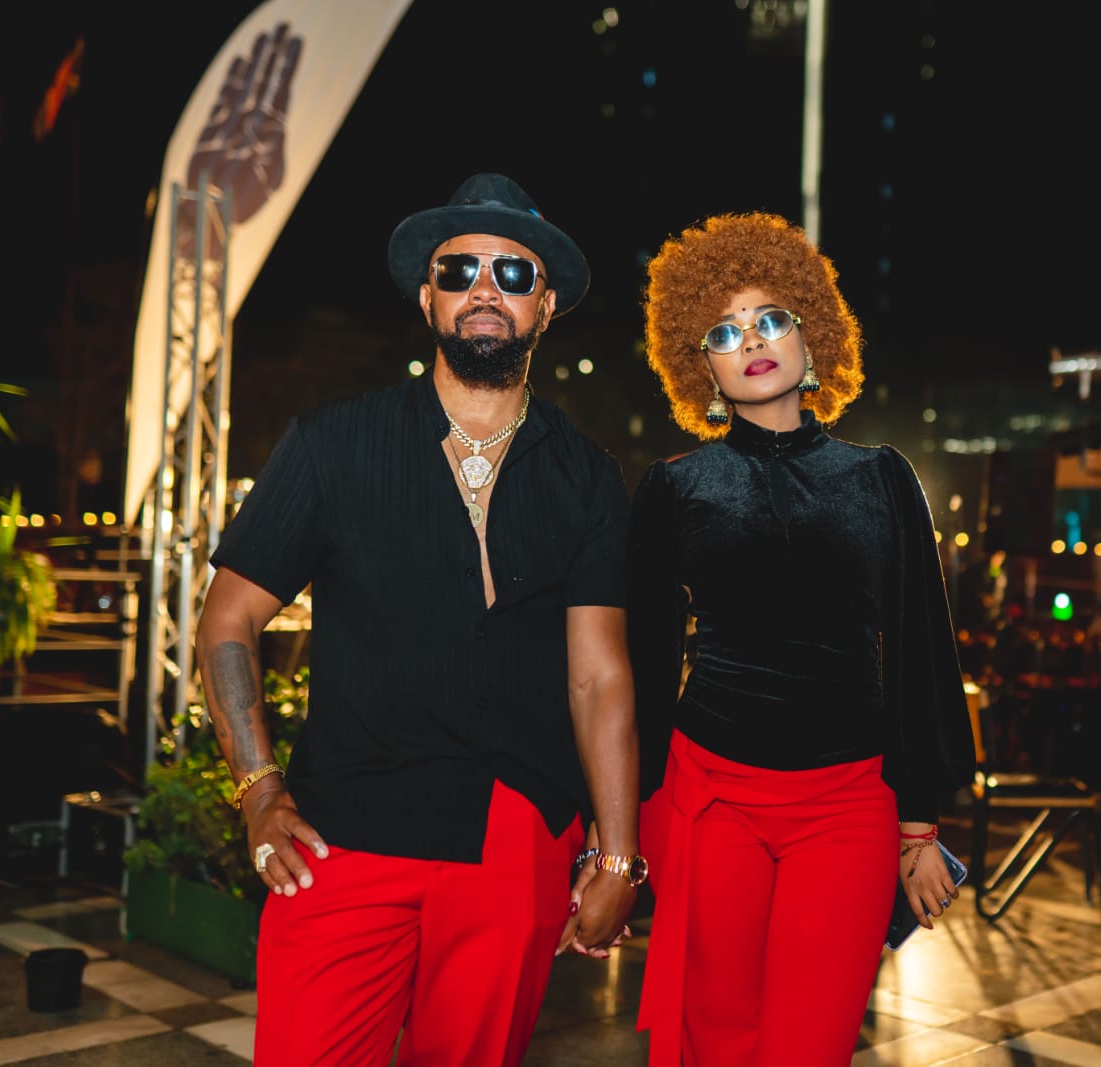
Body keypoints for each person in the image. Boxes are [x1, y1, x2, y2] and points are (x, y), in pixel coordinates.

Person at [194, 173, 643, 1067]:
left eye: (513, 273)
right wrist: (260, 789)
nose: (485, 288)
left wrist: (619, 857)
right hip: (344, 831)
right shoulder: (331, 443)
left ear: (546, 303)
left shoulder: (587, 474)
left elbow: (599, 675)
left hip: (512, 838)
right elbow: (229, 619)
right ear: (428, 296)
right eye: (459, 269)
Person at [625, 211, 976, 1065]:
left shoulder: (882, 477)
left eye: (770, 317)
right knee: (718, 1039)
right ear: (703, 370)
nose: (750, 339)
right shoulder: (674, 488)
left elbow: (922, 651)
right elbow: (639, 666)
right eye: (723, 330)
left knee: (809, 1043)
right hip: (709, 796)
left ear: (813, 338)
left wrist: (920, 826)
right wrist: (616, 833)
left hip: (850, 804)